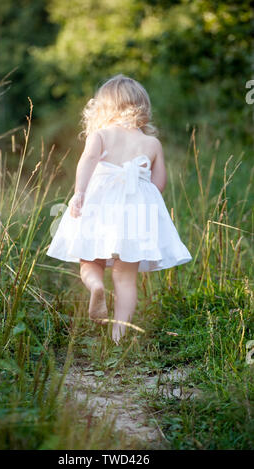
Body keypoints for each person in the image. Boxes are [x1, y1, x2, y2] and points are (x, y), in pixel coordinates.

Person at [46, 74, 192, 344]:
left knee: (89, 260)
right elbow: (159, 184)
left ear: (102, 108)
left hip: (100, 205)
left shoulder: (100, 135)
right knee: (126, 278)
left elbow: (87, 161)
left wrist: (80, 193)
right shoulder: (152, 144)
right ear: (142, 107)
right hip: (136, 212)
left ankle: (96, 286)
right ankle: (119, 335)